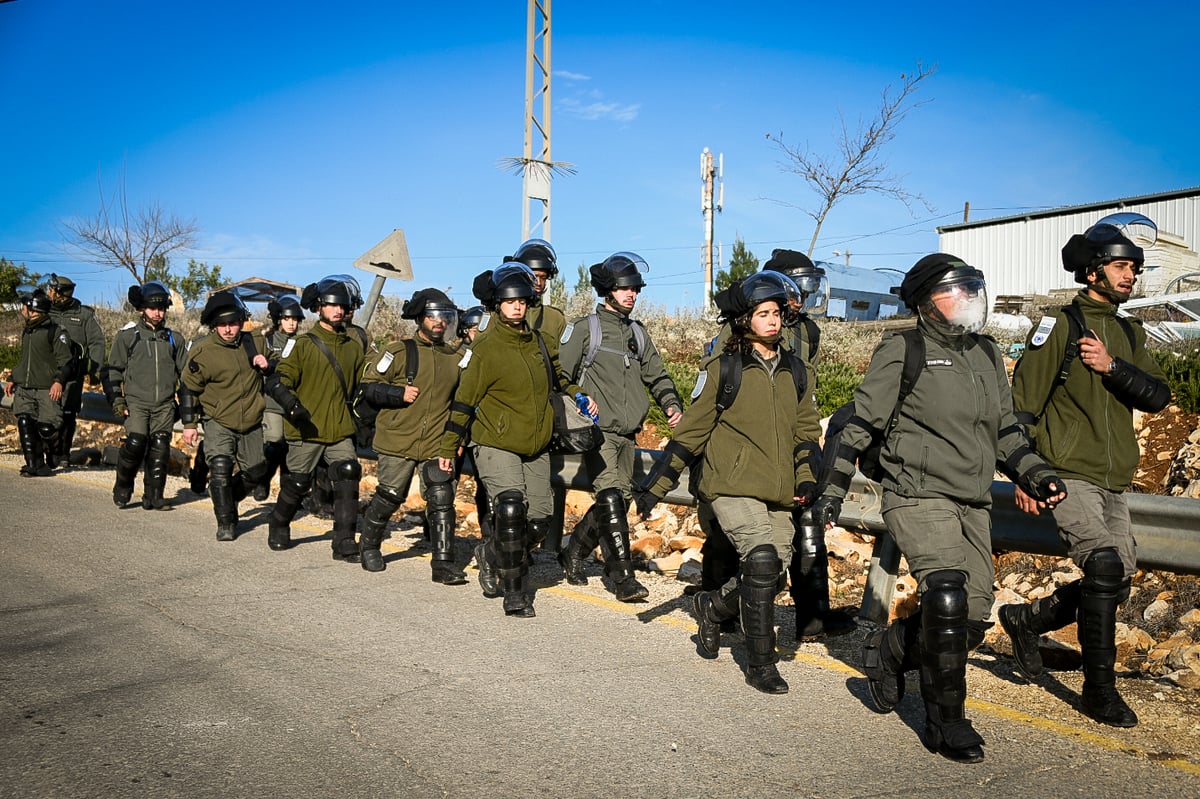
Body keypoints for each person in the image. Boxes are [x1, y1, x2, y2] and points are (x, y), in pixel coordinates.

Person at [812, 254, 1065, 763]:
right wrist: (832, 493)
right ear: (928, 303)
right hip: (917, 493)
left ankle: (889, 651)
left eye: (974, 288)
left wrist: (1036, 473)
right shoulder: (903, 349)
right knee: (946, 595)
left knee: (970, 618)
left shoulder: (988, 353)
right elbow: (860, 424)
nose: (971, 298)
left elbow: (1005, 431)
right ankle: (946, 722)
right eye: (959, 290)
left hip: (971, 501)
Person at [1000, 214, 1171, 729]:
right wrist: (1025, 474)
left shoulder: (1129, 332)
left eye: (1134, 269)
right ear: (1093, 271)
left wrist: (1112, 367)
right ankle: (1100, 692)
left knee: (1115, 582)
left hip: (1115, 476)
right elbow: (1021, 409)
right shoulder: (1058, 325)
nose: (1130, 276)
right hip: (1067, 472)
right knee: (1102, 566)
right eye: (1121, 266)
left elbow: (1160, 397)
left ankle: (1025, 620)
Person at [635, 272, 821, 695]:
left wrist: (808, 479)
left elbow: (807, 432)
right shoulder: (724, 369)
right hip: (731, 485)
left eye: (777, 313)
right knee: (759, 561)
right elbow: (692, 433)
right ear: (744, 320)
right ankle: (761, 663)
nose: (773, 321)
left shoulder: (796, 370)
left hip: (779, 490)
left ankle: (712, 606)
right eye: (763, 314)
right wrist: (655, 488)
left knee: (772, 576)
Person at [701, 249, 855, 638]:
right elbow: (721, 389)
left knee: (806, 531)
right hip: (742, 452)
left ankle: (812, 617)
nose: (801, 298)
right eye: (796, 288)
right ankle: (719, 605)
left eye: (808, 289)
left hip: (793, 444)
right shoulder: (740, 327)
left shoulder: (808, 331)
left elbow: (804, 388)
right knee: (728, 539)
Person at [437, 262, 593, 618]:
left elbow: (559, 380)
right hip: (495, 443)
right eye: (509, 301)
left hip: (536, 446)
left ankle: (490, 554)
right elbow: (465, 400)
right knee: (510, 510)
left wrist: (579, 394)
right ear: (497, 305)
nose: (517, 306)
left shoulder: (539, 341)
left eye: (522, 300)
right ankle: (516, 591)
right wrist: (449, 447)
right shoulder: (486, 348)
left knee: (537, 521)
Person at [557, 251, 683, 601]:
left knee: (618, 502)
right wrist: (580, 395)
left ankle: (573, 553)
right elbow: (560, 376)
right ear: (608, 290)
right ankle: (622, 577)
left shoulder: (638, 335)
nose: (632, 295)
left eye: (636, 290)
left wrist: (672, 404)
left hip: (629, 434)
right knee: (610, 495)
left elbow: (657, 375)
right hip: (598, 432)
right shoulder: (586, 329)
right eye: (626, 289)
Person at [358, 289, 467, 584]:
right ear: (419, 318)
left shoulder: (458, 357)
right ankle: (368, 546)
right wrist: (397, 393)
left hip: (436, 441)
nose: (439, 322)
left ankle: (443, 564)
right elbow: (368, 386)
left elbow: (466, 401)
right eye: (433, 316)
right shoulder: (398, 351)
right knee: (391, 495)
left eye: (445, 317)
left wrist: (459, 440)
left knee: (441, 496)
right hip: (397, 439)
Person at [264, 276, 366, 561]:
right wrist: (292, 406)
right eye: (331, 305)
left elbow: (361, 386)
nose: (337, 310)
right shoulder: (303, 345)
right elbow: (278, 381)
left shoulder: (353, 347)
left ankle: (344, 541)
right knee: (297, 483)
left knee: (348, 473)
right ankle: (279, 522)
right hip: (307, 427)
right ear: (319, 307)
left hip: (339, 428)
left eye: (342, 305)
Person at [179, 292, 273, 541]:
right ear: (214, 325)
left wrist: (268, 364)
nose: (228, 329)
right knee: (221, 468)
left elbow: (279, 366)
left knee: (255, 471)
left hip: (251, 418)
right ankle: (226, 521)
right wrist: (189, 424)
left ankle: (225, 495)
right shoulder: (203, 351)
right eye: (222, 324)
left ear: (241, 322)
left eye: (233, 323)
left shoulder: (255, 342)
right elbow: (189, 388)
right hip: (218, 418)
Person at [507, 238, 571, 555]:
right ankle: (501, 549)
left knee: (537, 507)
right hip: (502, 419)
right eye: (532, 275)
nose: (537, 282)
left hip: (540, 420)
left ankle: (517, 552)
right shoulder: (497, 314)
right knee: (504, 499)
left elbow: (566, 371)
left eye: (543, 277)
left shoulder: (557, 321)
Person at [102, 281, 187, 510]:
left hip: (164, 405)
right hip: (137, 402)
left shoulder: (174, 339)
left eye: (161, 308)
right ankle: (123, 485)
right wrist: (117, 400)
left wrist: (184, 406)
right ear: (142, 309)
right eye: (152, 308)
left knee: (160, 448)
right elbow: (112, 371)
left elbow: (186, 376)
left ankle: (154, 496)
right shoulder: (128, 336)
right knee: (136, 442)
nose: (158, 312)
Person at [6, 287, 75, 477]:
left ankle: (55, 451)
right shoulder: (28, 330)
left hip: (47, 388)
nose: (22, 309)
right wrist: (14, 378)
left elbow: (66, 361)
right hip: (26, 388)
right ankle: (35, 465)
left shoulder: (55, 331)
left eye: (25, 306)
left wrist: (59, 381)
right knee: (25, 422)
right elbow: (26, 360)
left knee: (47, 428)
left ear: (33, 309)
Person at [43, 274, 106, 463]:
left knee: (68, 414)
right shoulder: (45, 311)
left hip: (73, 374)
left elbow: (97, 341)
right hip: (47, 373)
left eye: (52, 290)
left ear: (61, 293)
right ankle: (49, 453)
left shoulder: (83, 314)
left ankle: (63, 454)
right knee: (47, 414)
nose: (48, 293)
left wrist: (93, 369)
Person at [260, 293, 306, 494]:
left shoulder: (303, 342)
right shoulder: (268, 340)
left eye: (295, 319)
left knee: (292, 449)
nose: (291, 323)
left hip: (295, 402)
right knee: (274, 443)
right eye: (287, 318)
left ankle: (289, 492)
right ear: (279, 319)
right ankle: (263, 479)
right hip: (272, 402)